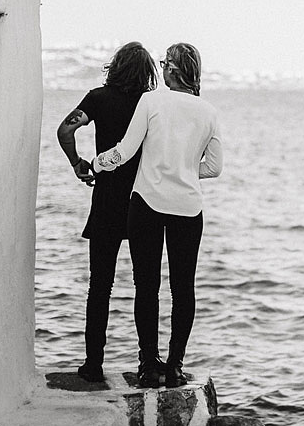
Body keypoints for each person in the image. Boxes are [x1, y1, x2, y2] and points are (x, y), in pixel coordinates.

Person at [92, 42, 223, 388]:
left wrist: (96, 164)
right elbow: (215, 167)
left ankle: (149, 365)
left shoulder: (151, 102)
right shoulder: (208, 111)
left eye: (165, 63)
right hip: (188, 208)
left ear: (173, 71)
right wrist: (186, 171)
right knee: (184, 290)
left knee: (146, 286)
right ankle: (176, 366)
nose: (161, 68)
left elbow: (125, 151)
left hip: (147, 205)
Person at [57, 41, 158, 383]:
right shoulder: (151, 103)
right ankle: (149, 363)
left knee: (99, 287)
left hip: (106, 201)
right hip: (143, 201)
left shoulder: (97, 98)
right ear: (147, 72)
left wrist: (77, 164)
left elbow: (66, 129)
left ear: (115, 66)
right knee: (147, 286)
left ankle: (93, 365)